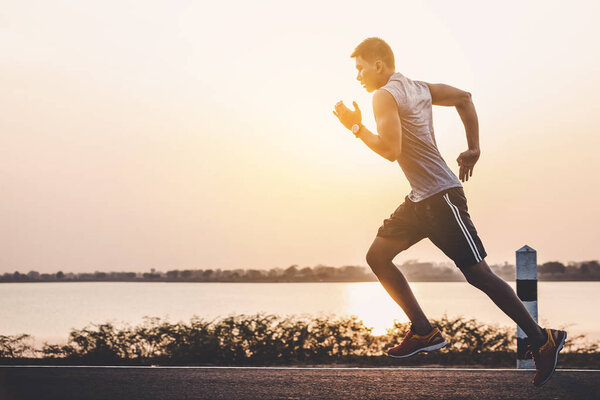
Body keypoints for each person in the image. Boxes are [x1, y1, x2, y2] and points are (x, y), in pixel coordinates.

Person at [332, 37, 566, 387]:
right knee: (378, 256)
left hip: (440, 198)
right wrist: (474, 147)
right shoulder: (418, 88)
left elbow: (391, 150)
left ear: (379, 65)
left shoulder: (382, 95)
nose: (358, 76)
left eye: (360, 68)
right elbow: (464, 99)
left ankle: (541, 338)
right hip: (420, 199)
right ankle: (424, 331)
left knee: (478, 274)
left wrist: (355, 127)